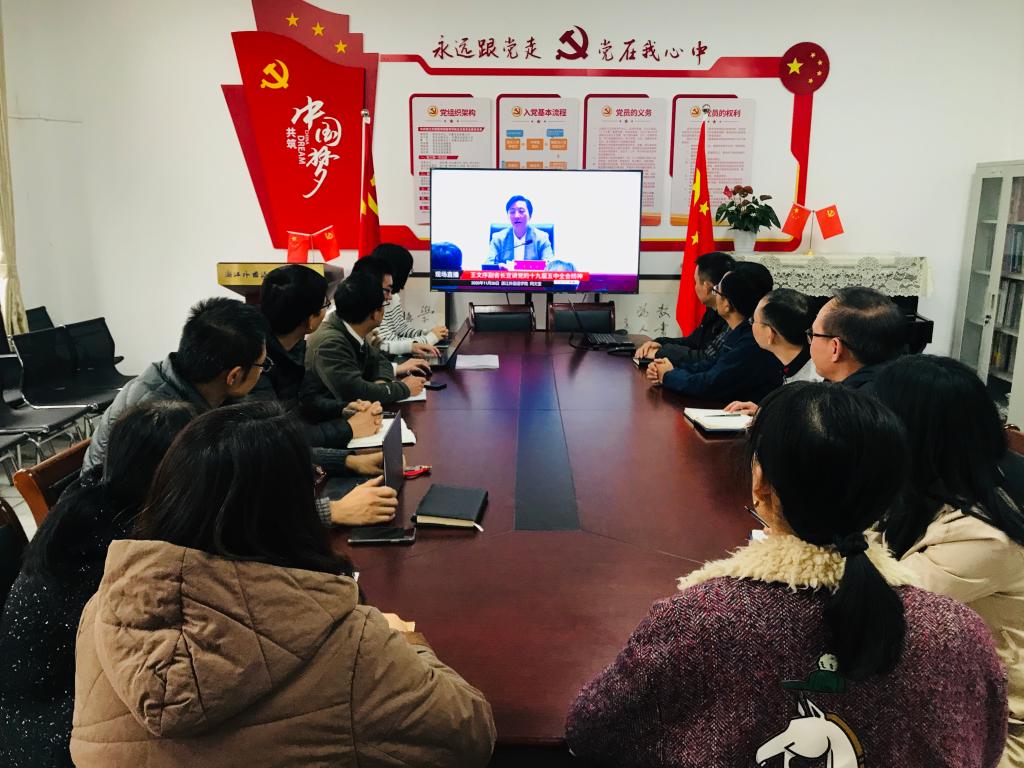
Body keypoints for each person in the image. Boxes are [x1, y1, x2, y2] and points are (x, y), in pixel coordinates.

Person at [566, 383, 1008, 767]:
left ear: (760, 483)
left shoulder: (697, 620)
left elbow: (592, 730)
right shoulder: (959, 631)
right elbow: (984, 747)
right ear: (890, 493)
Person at [70, 401, 496, 767]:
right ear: (294, 508)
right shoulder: (351, 646)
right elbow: (470, 735)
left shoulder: (103, 609)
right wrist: (409, 641)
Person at [0, 401, 195, 768]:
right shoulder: (115, 544)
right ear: (164, 473)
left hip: (44, 700)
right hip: (53, 729)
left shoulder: (95, 495)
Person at [874, 355, 1024, 766]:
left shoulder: (983, 536)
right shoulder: (931, 492)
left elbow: (880, 609)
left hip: (998, 731)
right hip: (950, 694)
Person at [82, 297, 269, 473]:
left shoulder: (201, 385)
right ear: (234, 376)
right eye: (262, 365)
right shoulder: (158, 420)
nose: (262, 372)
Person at [254, 264, 382, 470]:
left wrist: (342, 409)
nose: (327, 310)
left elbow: (306, 400)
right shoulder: (255, 363)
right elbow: (273, 440)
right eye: (325, 304)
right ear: (309, 320)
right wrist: (348, 429)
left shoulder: (295, 345)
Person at [646, 262, 783, 402]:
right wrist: (669, 370)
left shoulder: (753, 340)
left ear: (727, 304)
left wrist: (668, 376)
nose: (714, 294)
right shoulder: (740, 330)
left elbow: (708, 385)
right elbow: (710, 365)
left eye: (717, 290)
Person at [303, 271, 426, 406]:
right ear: (375, 313)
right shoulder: (330, 343)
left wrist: (381, 384)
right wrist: (404, 388)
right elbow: (356, 393)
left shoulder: (353, 328)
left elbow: (380, 361)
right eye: (383, 305)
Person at [724, 287, 821, 415]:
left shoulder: (811, 385)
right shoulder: (796, 362)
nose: (751, 325)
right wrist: (762, 412)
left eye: (753, 321)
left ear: (769, 334)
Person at [635, 251, 735, 365]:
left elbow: (706, 358)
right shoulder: (712, 310)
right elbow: (693, 342)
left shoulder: (732, 318)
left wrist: (661, 353)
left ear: (707, 287)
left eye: (695, 282)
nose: (694, 287)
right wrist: (659, 343)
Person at [808, 286, 905, 389]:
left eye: (812, 334)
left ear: (835, 348)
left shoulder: (846, 398)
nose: (810, 341)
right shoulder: (902, 382)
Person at [352, 254, 440, 369]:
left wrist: (396, 370)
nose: (390, 297)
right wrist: (427, 339)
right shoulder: (338, 339)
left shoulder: (374, 309)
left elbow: (378, 352)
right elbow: (385, 344)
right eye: (387, 290)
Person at [367, 243, 450, 355]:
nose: (408, 276)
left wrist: (426, 333)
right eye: (408, 271)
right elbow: (387, 343)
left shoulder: (393, 297)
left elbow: (401, 330)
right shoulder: (373, 300)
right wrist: (429, 339)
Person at [486, 194, 553, 266]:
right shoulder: (498, 239)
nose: (516, 216)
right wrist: (500, 268)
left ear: (530, 215)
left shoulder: (541, 238)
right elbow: (489, 264)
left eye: (521, 211)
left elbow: (550, 266)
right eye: (512, 212)